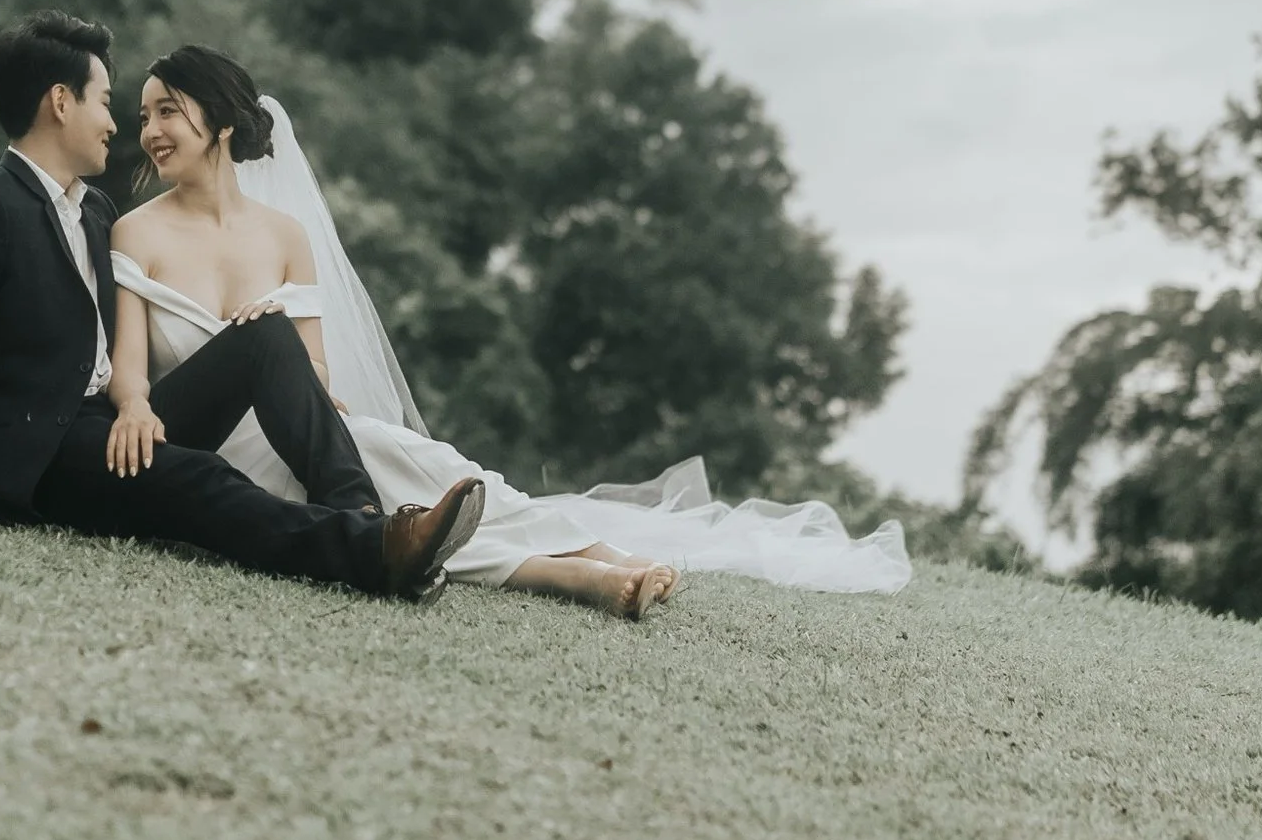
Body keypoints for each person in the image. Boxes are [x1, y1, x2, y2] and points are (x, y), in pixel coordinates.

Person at [104, 46, 915, 617]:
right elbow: (134, 375)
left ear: (217, 118)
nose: (149, 131)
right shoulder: (135, 233)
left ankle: (592, 554)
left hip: (302, 430)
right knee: (389, 479)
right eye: (143, 116)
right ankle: (578, 578)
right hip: (211, 453)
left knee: (422, 461)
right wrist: (136, 406)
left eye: (166, 110)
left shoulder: (283, 234)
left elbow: (315, 378)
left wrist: (294, 374)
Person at [0, 11, 485, 604]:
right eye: (105, 101)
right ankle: (376, 554)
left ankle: (360, 511)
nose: (117, 125)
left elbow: (122, 348)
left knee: (266, 335)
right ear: (59, 102)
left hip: (110, 424)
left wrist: (137, 403)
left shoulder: (98, 211)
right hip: (37, 451)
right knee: (199, 481)